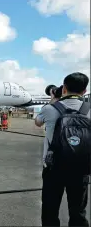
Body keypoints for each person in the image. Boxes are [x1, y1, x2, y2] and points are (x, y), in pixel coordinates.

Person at [35, 72, 90, 226]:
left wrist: (54, 99)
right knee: (78, 212)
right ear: (84, 91)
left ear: (64, 88)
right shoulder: (89, 109)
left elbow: (38, 123)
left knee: (50, 211)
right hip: (81, 168)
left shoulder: (49, 109)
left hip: (54, 168)